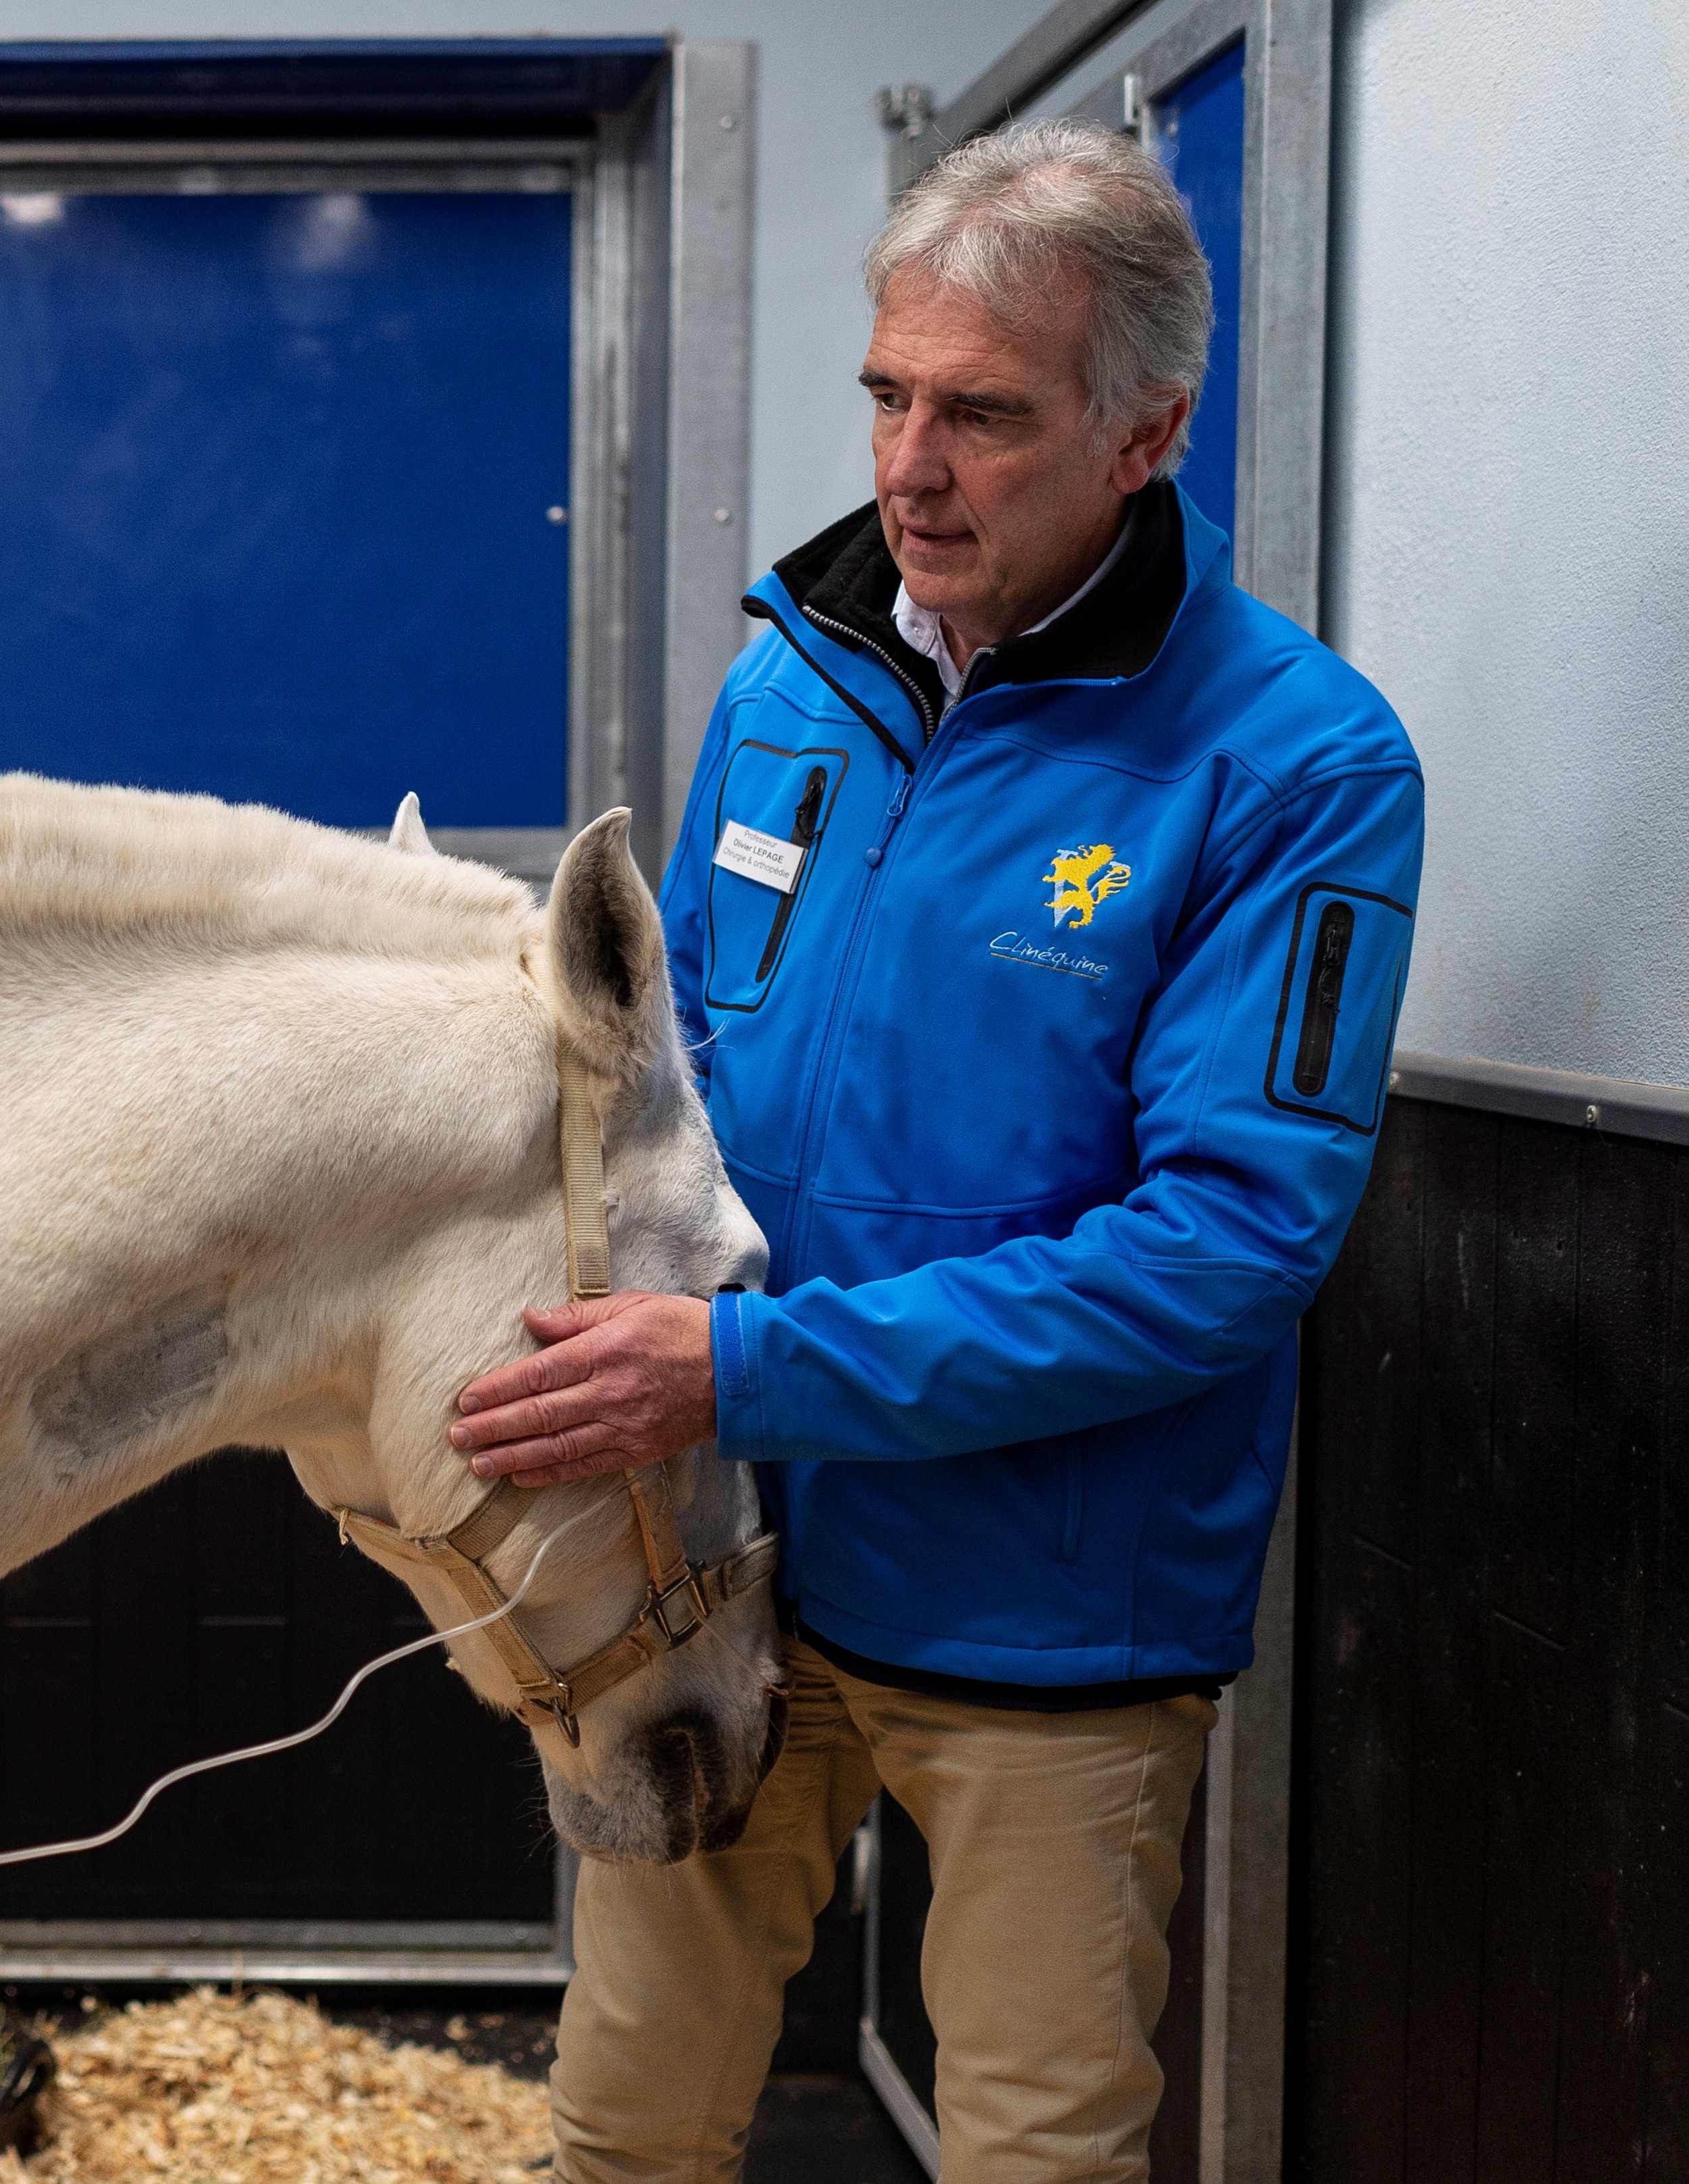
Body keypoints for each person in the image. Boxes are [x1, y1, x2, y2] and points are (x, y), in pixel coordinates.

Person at [447, 119, 1424, 2183]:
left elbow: (1231, 1245)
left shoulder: (1296, 763)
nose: (911, 467)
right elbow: (681, 1073)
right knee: (620, 2128)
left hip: (1049, 1623)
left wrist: (743, 1367)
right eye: (890, 396)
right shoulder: (789, 688)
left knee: (1033, 2158)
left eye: (985, 416)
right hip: (726, 1572)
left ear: (1146, 434)